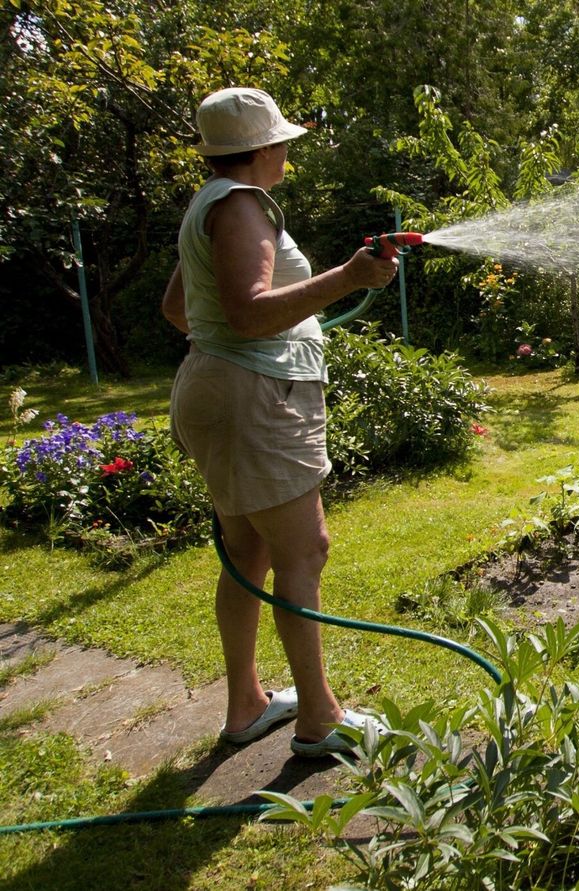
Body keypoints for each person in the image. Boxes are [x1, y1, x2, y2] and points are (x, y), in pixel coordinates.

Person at [162, 87, 398, 757]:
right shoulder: (239, 206)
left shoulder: (210, 205)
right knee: (304, 549)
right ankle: (320, 720)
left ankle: (246, 705)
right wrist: (350, 277)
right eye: (284, 141)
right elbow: (249, 312)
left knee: (248, 551)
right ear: (264, 147)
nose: (288, 149)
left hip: (223, 389)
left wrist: (239, 345)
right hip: (255, 400)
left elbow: (182, 308)